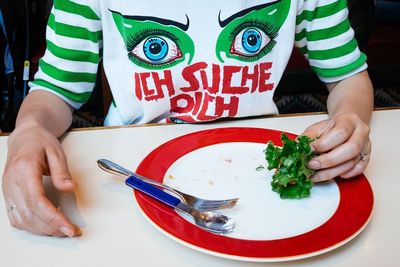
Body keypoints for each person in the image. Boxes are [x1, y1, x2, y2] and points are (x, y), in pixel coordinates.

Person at [2, 0, 373, 237]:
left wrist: (352, 117)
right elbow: (55, 90)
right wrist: (29, 130)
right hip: (131, 179)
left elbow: (346, 75)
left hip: (255, 174)